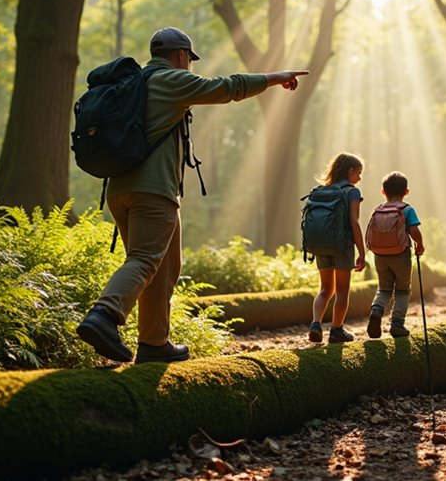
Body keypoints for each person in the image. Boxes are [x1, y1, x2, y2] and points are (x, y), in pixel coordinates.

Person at [76, 26, 309, 364]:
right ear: (182, 56)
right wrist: (275, 77)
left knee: (166, 265)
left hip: (120, 189)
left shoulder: (136, 84)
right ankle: (104, 316)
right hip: (152, 190)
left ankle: (154, 342)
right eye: (189, 60)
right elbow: (227, 88)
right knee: (144, 259)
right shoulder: (169, 80)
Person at [308, 152, 367, 343]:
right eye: (358, 173)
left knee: (325, 289)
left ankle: (315, 324)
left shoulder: (322, 190)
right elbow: (354, 223)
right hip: (342, 247)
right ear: (350, 171)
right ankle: (336, 330)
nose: (359, 178)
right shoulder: (352, 192)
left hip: (321, 246)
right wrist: (362, 251)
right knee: (342, 291)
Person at [366, 171, 425, 339]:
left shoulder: (379, 209)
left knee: (384, 288)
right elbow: (414, 230)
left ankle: (376, 310)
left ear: (383, 191)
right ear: (406, 192)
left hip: (380, 256)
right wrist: (420, 245)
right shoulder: (407, 209)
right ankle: (397, 324)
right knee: (402, 290)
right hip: (401, 255)